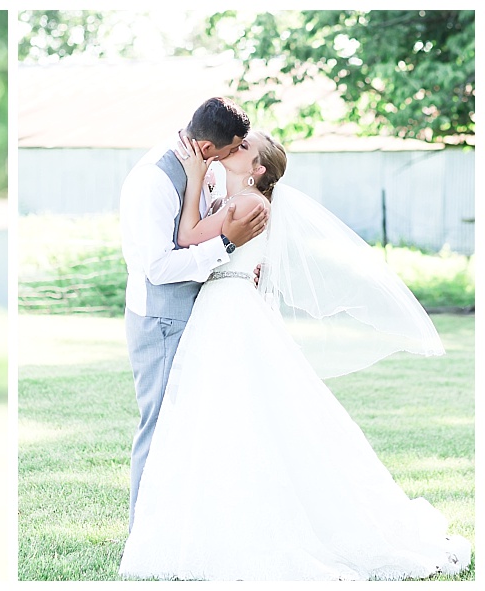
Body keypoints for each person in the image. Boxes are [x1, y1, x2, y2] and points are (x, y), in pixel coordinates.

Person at [118, 130, 473, 580]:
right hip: (220, 310)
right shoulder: (230, 195)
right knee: (212, 422)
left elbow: (188, 238)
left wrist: (191, 178)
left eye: (243, 148)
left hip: (228, 312)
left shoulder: (247, 205)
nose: (233, 150)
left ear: (257, 169)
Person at [118, 97, 268, 530]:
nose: (234, 156)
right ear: (207, 148)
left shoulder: (202, 167)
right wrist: (227, 248)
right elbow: (159, 266)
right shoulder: (154, 181)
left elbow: (206, 224)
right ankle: (142, 531)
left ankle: (184, 526)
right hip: (162, 318)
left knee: (193, 424)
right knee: (160, 422)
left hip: (202, 312)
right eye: (231, 149)